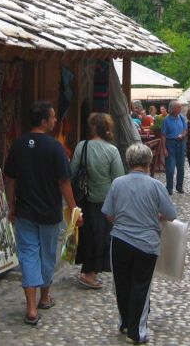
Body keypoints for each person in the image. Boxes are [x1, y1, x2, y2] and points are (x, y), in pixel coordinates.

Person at [4, 101, 81, 326]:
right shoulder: (55, 147)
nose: (56, 120)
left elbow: (11, 179)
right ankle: (44, 297)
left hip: (24, 211)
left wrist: (11, 206)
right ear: (44, 121)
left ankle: (30, 308)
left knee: (28, 255)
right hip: (49, 212)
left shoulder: (18, 145)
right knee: (47, 255)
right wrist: (74, 209)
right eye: (54, 117)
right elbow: (64, 182)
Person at [103, 143, 177, 345]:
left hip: (120, 241)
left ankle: (125, 322)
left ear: (128, 162)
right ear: (148, 162)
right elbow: (171, 214)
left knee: (121, 283)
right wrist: (156, 215)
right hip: (147, 243)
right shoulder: (156, 185)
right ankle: (136, 332)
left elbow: (109, 214)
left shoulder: (118, 183)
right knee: (141, 286)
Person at [71, 113, 125, 290]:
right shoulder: (112, 151)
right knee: (101, 237)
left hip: (84, 198)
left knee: (87, 236)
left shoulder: (82, 146)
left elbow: (72, 172)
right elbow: (118, 178)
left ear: (93, 127)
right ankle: (89, 273)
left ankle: (88, 270)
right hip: (105, 201)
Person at [160, 101, 187, 194]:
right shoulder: (166, 120)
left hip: (181, 143)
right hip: (170, 144)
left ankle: (179, 187)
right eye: (178, 107)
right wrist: (164, 149)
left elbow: (185, 129)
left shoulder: (182, 118)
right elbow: (163, 135)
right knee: (170, 168)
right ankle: (169, 188)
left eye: (180, 107)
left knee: (181, 167)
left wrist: (182, 135)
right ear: (172, 109)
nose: (180, 108)